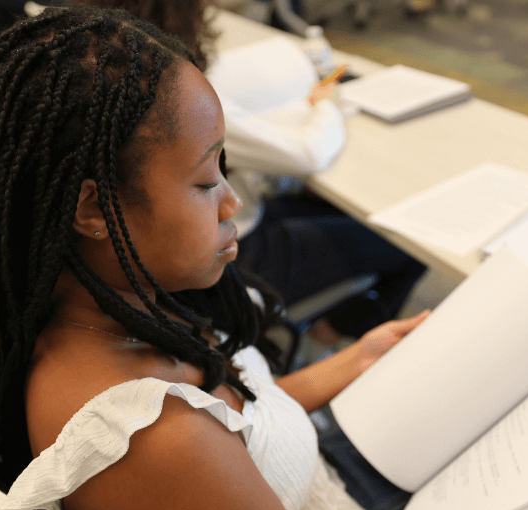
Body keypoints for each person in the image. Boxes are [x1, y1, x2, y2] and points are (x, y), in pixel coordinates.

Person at [0, 6, 528, 510]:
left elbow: (242, 423)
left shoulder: (108, 310)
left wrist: (358, 358)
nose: (231, 203)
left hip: (318, 488)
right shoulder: (152, 437)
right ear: (92, 209)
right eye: (205, 181)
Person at [70, 0, 428, 344]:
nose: (233, 200)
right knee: (412, 240)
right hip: (242, 251)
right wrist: (324, 107)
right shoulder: (170, 107)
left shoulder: (100, 81)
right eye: (207, 181)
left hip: (224, 241)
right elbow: (304, 155)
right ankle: (338, 329)